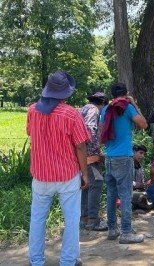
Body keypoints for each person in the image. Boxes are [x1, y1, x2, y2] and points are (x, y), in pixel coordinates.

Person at [27, 70, 90, 265]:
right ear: (66, 93)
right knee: (71, 220)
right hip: (67, 175)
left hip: (40, 175)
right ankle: (68, 261)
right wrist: (85, 174)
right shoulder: (72, 114)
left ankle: (36, 261)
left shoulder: (32, 110)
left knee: (37, 219)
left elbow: (31, 134)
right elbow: (80, 146)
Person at [100, 82, 148, 244]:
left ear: (112, 94)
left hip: (109, 157)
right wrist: (134, 103)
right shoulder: (127, 108)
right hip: (124, 158)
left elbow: (102, 131)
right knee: (126, 195)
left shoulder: (106, 109)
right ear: (126, 93)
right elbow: (143, 124)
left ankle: (112, 229)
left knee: (111, 195)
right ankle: (126, 232)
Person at [80, 92, 108, 231]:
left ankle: (84, 218)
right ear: (102, 103)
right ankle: (92, 219)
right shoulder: (94, 110)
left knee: (86, 185)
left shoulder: (83, 109)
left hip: (81, 153)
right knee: (96, 182)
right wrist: (93, 149)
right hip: (88, 154)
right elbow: (90, 129)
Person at [132, 144, 154, 210]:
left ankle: (142, 204)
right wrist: (141, 185)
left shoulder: (140, 166)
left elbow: (143, 182)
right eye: (140, 153)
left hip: (139, 191)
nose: (142, 156)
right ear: (133, 152)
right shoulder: (127, 164)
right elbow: (127, 183)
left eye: (143, 154)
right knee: (141, 196)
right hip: (128, 192)